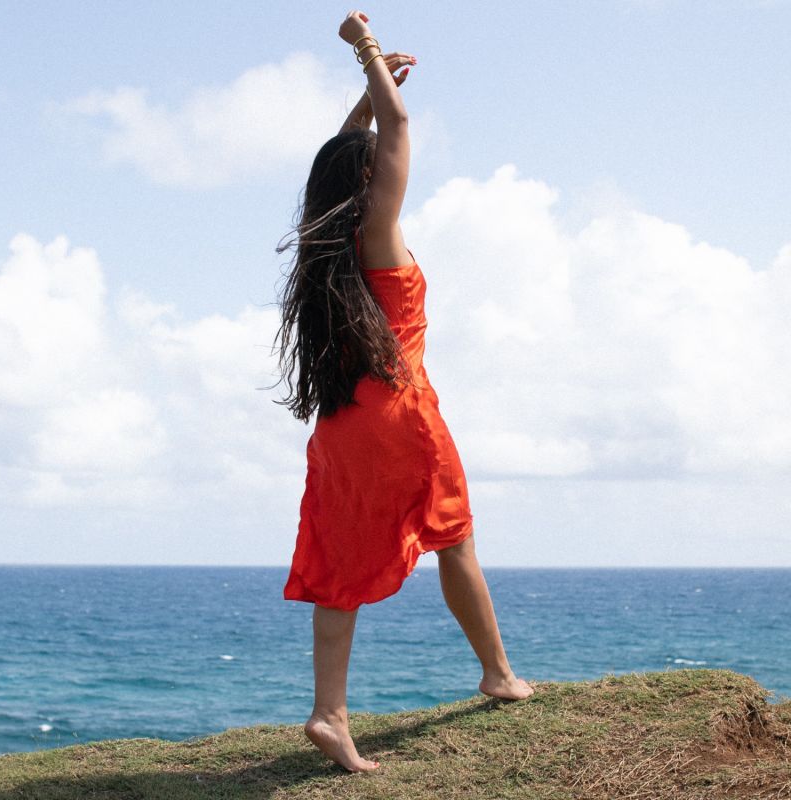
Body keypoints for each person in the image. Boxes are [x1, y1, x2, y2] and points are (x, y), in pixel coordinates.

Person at [272, 10, 534, 774]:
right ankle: (498, 673)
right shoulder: (378, 235)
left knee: (337, 564)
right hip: (403, 414)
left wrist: (363, 101)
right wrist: (368, 53)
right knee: (455, 535)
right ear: (367, 180)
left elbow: (354, 151)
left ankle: (329, 714)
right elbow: (398, 126)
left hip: (342, 426)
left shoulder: (325, 250)